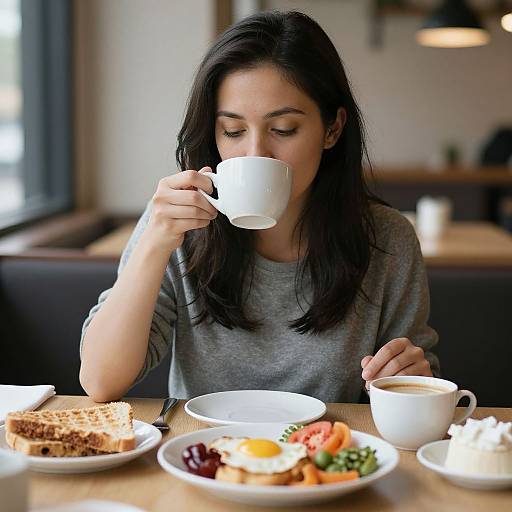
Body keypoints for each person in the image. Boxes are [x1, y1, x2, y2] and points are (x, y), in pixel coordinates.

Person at [79, 10, 439, 404]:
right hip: (202, 457)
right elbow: (100, 381)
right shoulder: (177, 223)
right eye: (232, 131)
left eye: (283, 129)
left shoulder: (386, 239)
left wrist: (407, 377)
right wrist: (153, 244)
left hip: (327, 456)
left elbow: (418, 388)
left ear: (332, 129)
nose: (255, 152)